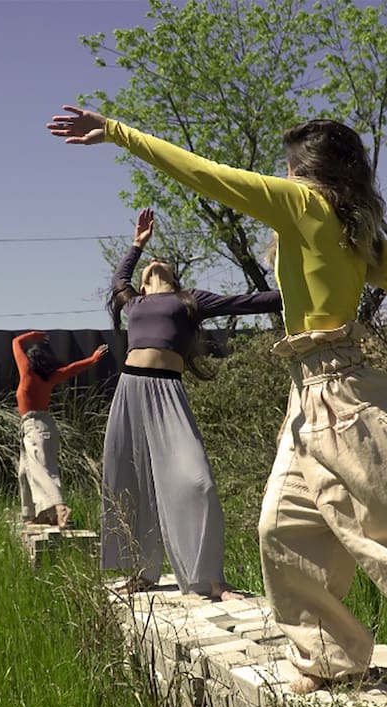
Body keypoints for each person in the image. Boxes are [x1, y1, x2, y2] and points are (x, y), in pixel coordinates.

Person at [48, 106, 387, 707]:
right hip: (308, 395)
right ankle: (329, 656)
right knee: (285, 530)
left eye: (289, 168)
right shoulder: (352, 232)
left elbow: (207, 175)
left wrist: (120, 132)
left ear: (307, 172)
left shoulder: (308, 207)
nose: (281, 177)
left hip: (343, 396)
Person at [100, 207, 282, 602]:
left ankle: (213, 582)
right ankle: (141, 572)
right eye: (147, 267)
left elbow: (245, 301)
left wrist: (298, 293)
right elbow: (118, 280)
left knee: (198, 482)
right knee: (131, 481)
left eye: (157, 262)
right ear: (142, 287)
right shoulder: (133, 304)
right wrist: (136, 246)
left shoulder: (189, 300)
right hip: (130, 391)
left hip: (167, 393)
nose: (153, 264)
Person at [13, 330, 108, 528]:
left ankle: (59, 507)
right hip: (39, 427)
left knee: (41, 470)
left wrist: (33, 335)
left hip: (35, 428)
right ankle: (33, 516)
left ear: (30, 362)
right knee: (24, 472)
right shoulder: (50, 377)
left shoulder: (27, 373)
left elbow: (16, 342)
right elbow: (73, 369)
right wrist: (92, 359)